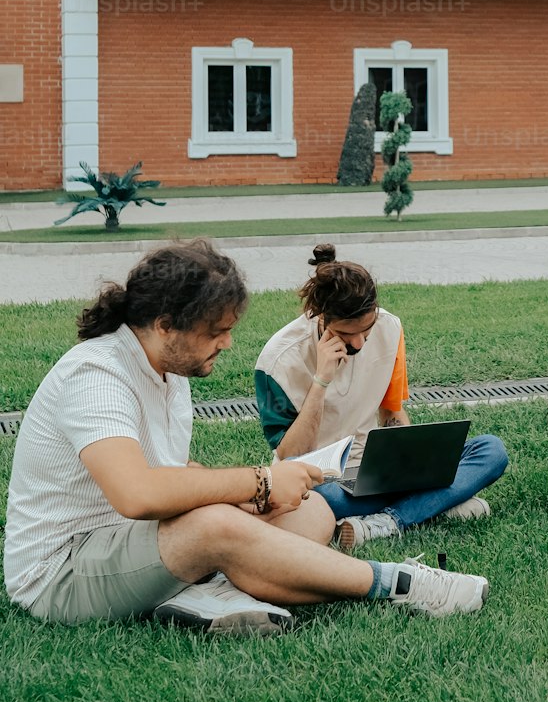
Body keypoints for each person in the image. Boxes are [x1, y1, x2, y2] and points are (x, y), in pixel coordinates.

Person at [3, 241, 489, 632]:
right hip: (63, 571)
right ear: (165, 325)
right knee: (216, 526)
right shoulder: (97, 374)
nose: (228, 342)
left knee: (309, 509)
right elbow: (137, 493)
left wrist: (255, 500)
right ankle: (400, 583)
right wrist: (257, 482)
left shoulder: (168, 371)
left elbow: (172, 473)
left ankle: (208, 591)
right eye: (217, 330)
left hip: (130, 544)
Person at [254, 245, 509, 552]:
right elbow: (291, 453)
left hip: (373, 466)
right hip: (318, 480)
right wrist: (321, 381)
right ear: (321, 317)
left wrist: (410, 462)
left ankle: (388, 520)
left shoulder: (390, 328)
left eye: (367, 329)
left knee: (490, 450)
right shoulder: (277, 361)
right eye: (348, 334)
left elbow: (391, 413)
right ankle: (432, 506)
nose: (360, 342)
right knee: (316, 502)